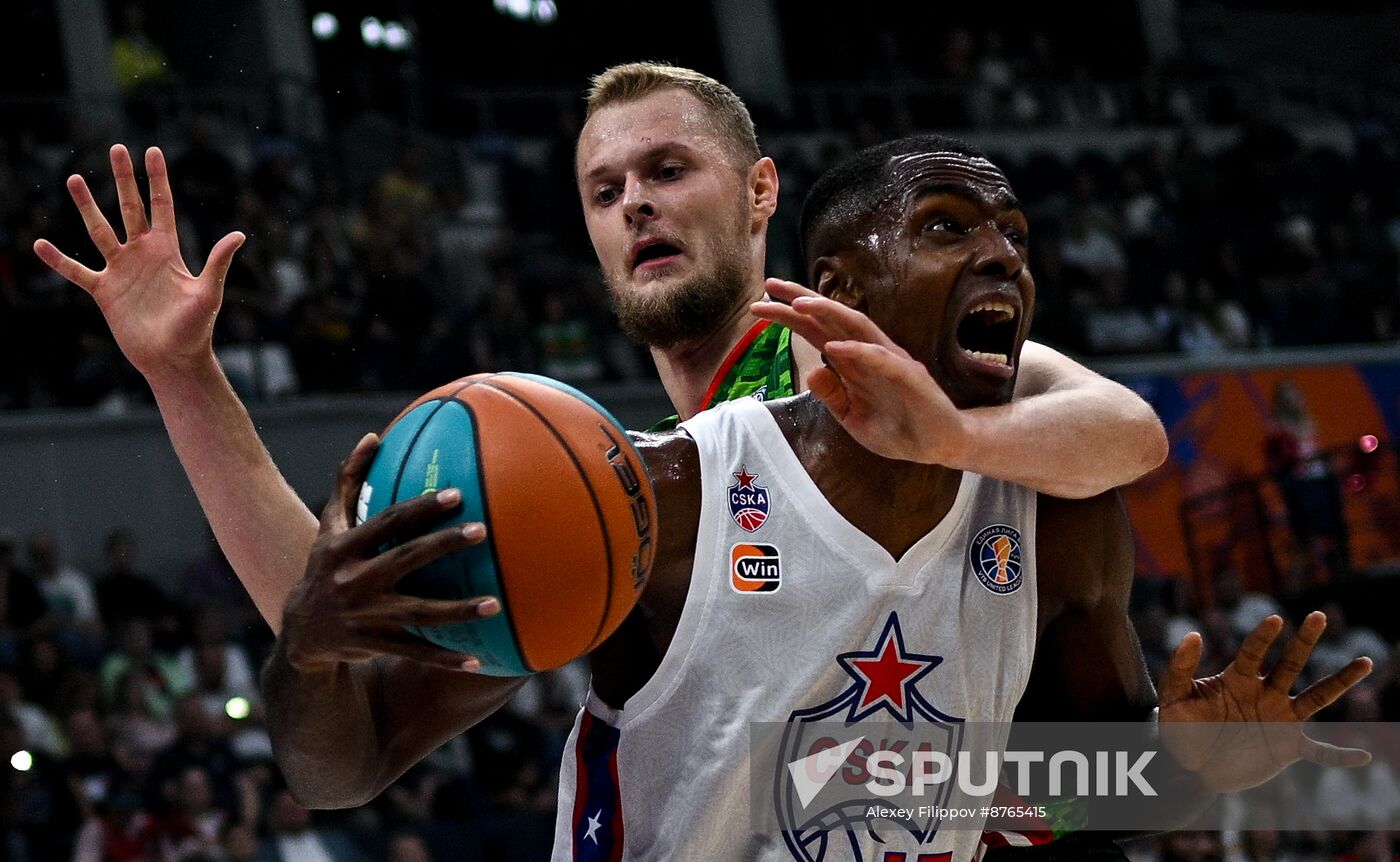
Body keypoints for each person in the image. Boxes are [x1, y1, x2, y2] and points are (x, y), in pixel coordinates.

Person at [260, 135, 1370, 862]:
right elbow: (341, 767)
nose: (1001, 257)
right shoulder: (663, 498)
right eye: (947, 226)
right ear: (835, 288)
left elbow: (1049, 802)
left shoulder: (1055, 508)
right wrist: (308, 654)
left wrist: (1180, 768)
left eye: (1013, 236)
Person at [32, 66, 1167, 641]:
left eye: (668, 171)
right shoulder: (629, 473)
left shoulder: (862, 364)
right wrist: (183, 376)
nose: (635, 205)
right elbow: (336, 610)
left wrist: (953, 433)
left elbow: (1123, 428)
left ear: (760, 189)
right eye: (604, 190)